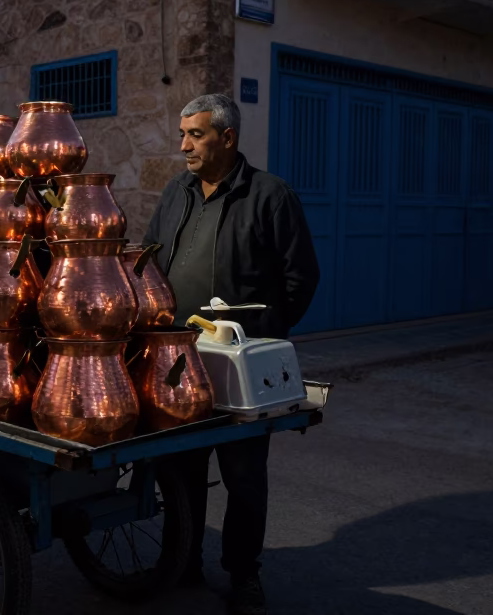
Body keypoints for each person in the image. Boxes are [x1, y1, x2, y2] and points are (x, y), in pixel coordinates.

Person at [143, 93, 320, 615]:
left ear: (227, 137)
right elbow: (152, 259)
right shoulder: (177, 191)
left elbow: (301, 277)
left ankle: (243, 574)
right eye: (182, 135)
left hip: (241, 362)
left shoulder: (270, 195)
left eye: (195, 135)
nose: (184, 146)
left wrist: (264, 337)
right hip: (180, 357)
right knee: (181, 470)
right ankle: (183, 561)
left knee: (244, 476)